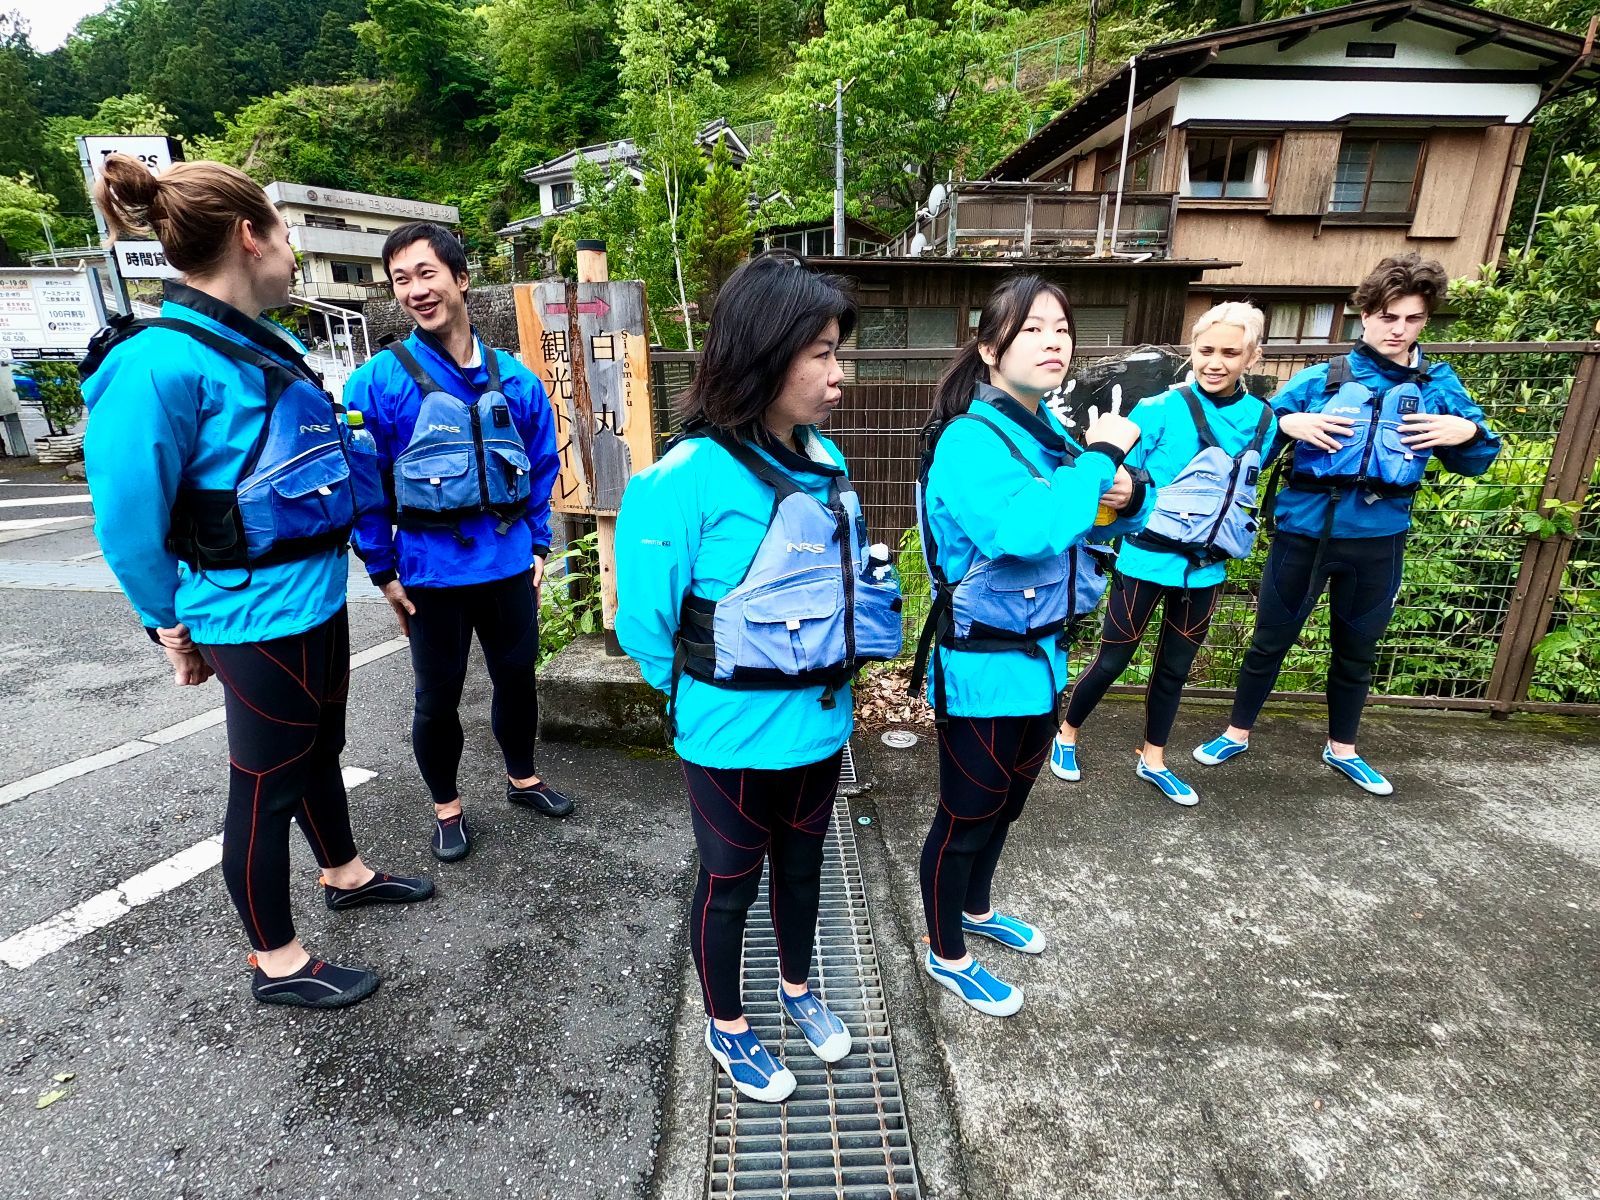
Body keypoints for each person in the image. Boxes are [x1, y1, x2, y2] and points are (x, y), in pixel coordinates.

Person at [81, 155, 433, 1010]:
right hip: (248, 614)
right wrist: (168, 625)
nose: (292, 255)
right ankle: (276, 959)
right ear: (251, 236)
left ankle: (344, 872)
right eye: (285, 236)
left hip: (312, 596)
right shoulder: (159, 362)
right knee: (265, 786)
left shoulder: (260, 345)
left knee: (319, 752)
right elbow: (126, 518)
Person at [615, 253, 902, 1103]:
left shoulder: (824, 456)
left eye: (838, 352)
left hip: (822, 721)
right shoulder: (682, 479)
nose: (838, 375)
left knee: (805, 869)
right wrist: (702, 695)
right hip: (730, 735)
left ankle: (798, 988)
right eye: (821, 353)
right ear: (763, 353)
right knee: (729, 882)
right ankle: (728, 1024)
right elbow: (645, 626)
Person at [913, 274, 1148, 1018]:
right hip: (982, 663)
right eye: (1033, 330)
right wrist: (1100, 461)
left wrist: (1128, 494)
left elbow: (1091, 521)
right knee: (967, 812)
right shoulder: (969, 440)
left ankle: (976, 909)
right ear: (990, 350)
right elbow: (1022, 531)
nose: (1054, 342)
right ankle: (946, 952)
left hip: (1043, 657)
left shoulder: (1050, 433)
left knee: (1007, 804)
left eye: (1062, 329)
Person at [1193, 253, 1501, 794]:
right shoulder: (1322, 378)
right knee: (1269, 640)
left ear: (1425, 320)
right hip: (1304, 533)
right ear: (1366, 315)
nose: (1398, 329)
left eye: (1412, 318)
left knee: (1357, 649)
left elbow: (1477, 459)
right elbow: (1249, 446)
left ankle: (1343, 748)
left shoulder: (1438, 386)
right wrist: (1287, 422)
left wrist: (1470, 434)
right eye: (1387, 316)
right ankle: (1236, 732)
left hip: (1379, 538)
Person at [343, 222, 564, 862]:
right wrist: (382, 570)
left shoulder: (515, 379)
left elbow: (540, 465)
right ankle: (447, 808)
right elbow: (364, 483)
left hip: (508, 561)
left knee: (517, 680)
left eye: (426, 273)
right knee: (437, 697)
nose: (415, 290)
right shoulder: (376, 382)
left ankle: (523, 778)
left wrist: (539, 545)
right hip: (429, 571)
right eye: (401, 280)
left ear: (461, 279)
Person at [1051, 303, 1277, 806]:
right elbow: (1118, 471)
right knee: (1113, 658)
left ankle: (1153, 759)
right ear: (1192, 350)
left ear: (1252, 357)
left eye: (1230, 353)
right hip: (1145, 560)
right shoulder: (1157, 409)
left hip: (1207, 568)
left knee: (1174, 669)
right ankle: (1066, 733)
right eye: (1205, 350)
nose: (1214, 362)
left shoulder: (1264, 419)